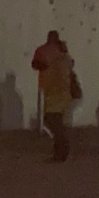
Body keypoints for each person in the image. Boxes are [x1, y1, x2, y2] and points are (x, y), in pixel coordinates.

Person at [30, 30, 75, 163]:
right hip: (63, 91)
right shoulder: (64, 53)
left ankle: (62, 147)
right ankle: (59, 151)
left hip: (52, 91)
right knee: (56, 120)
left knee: (51, 120)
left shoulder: (43, 50)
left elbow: (35, 64)